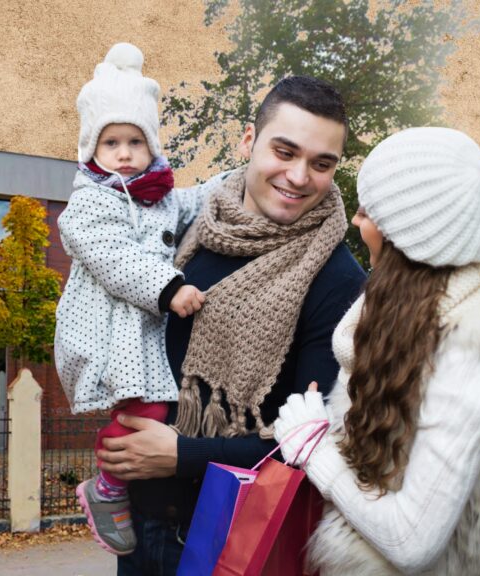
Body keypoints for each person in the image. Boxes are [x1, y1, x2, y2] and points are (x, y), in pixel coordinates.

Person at [96, 76, 367, 575]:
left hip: (231, 536)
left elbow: (314, 440)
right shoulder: (186, 223)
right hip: (139, 524)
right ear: (249, 140)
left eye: (321, 163)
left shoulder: (338, 279)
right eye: (284, 151)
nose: (299, 176)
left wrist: (183, 454)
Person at [274, 127, 480, 575]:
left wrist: (314, 449)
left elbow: (410, 541)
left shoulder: (471, 359)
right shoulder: (410, 316)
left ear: (410, 235)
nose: (357, 221)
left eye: (368, 211)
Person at [54, 42, 211, 556]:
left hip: (141, 332)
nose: (124, 153)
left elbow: (194, 201)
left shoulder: (159, 194)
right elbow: (114, 258)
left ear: (152, 146)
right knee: (148, 408)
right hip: (108, 331)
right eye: (111, 142)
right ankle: (107, 486)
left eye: (135, 141)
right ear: (92, 150)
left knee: (156, 407)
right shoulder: (87, 203)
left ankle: (114, 485)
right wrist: (170, 289)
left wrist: (240, 178)